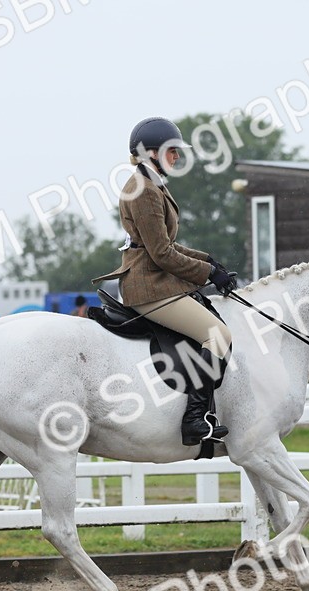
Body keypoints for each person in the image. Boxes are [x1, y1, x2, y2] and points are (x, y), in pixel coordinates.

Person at [94, 117, 238, 447]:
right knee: (218, 335)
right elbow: (161, 254)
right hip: (148, 286)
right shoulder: (143, 191)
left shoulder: (152, 184)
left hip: (156, 280)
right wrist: (206, 275)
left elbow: (168, 245)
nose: (176, 158)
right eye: (172, 151)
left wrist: (209, 262)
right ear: (151, 153)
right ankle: (194, 419)